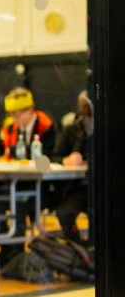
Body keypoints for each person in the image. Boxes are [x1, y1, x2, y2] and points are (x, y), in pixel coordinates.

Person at [51, 90, 92, 243]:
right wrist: (66, 160)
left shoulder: (108, 129)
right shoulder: (72, 130)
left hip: (102, 188)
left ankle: (95, 248)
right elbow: (54, 157)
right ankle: (77, 247)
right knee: (64, 213)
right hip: (77, 188)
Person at [0, 87, 57, 160]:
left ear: (30, 109)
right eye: (11, 115)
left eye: (17, 115)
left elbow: (46, 152)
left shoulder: (46, 126)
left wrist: (13, 150)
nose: (14, 119)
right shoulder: (10, 127)